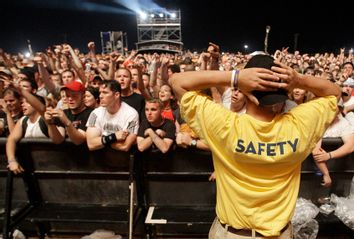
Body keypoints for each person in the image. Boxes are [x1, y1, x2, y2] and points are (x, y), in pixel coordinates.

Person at [169, 54, 341, 238]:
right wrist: (299, 79)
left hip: (233, 234)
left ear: (244, 91)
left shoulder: (224, 125)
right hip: (278, 234)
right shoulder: (300, 125)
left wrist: (235, 77)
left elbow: (177, 81)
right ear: (281, 95)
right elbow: (334, 93)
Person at [86, 80, 139, 152]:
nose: (100, 96)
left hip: (121, 160)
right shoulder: (95, 113)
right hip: (98, 159)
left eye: (105, 92)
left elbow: (125, 146)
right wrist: (114, 137)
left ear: (116, 95)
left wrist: (101, 140)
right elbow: (91, 144)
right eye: (100, 92)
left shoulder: (131, 114)